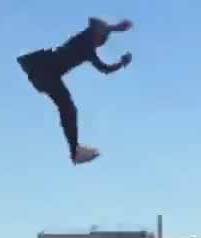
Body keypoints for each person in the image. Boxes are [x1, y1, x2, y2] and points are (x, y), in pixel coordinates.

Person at [17, 18, 133, 164]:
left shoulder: (88, 48)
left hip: (44, 73)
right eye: (101, 41)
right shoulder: (85, 42)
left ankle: (75, 151)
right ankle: (75, 152)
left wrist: (120, 60)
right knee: (68, 108)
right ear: (97, 36)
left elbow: (105, 68)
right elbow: (95, 27)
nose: (100, 45)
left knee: (68, 108)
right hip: (43, 69)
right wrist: (116, 29)